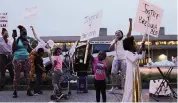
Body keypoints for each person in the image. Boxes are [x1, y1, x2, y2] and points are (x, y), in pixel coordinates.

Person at [108, 18, 132, 93]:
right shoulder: (114, 40)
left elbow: (129, 32)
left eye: (118, 33)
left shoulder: (124, 38)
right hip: (116, 59)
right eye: (116, 33)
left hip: (124, 59)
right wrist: (115, 42)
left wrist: (130, 23)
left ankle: (123, 88)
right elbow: (110, 49)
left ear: (121, 34)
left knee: (123, 74)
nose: (117, 34)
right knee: (113, 72)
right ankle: (114, 87)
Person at [122, 36, 146, 102]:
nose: (135, 44)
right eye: (134, 43)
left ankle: (137, 99)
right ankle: (129, 100)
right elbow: (133, 59)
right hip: (130, 74)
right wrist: (139, 51)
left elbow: (142, 57)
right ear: (130, 45)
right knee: (130, 87)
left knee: (136, 86)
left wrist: (143, 50)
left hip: (136, 73)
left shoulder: (135, 53)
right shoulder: (127, 53)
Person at [12, 25, 33, 98]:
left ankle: (28, 90)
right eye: (23, 33)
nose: (25, 34)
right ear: (20, 33)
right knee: (17, 76)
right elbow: (13, 49)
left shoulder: (27, 40)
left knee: (27, 75)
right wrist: (14, 39)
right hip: (17, 58)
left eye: (25, 33)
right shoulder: (17, 40)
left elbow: (31, 51)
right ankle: (15, 91)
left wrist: (28, 45)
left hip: (26, 58)